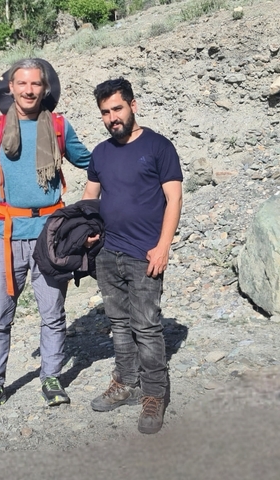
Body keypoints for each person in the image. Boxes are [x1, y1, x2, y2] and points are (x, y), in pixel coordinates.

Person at [0, 58, 91, 414]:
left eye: (36, 84)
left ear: (45, 89)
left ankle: (51, 377)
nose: (29, 90)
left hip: (50, 235)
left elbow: (93, 163)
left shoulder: (59, 127)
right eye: (22, 84)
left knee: (53, 313)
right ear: (10, 88)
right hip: (5, 235)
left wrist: (129, 161)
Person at [81, 78, 183, 434]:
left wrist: (163, 246)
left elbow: (174, 199)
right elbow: (90, 196)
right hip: (108, 253)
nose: (112, 117)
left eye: (117, 109)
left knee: (146, 326)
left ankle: (154, 395)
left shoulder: (158, 146)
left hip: (145, 253)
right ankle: (125, 382)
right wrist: (86, 228)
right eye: (105, 112)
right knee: (119, 325)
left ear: (133, 105)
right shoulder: (101, 153)